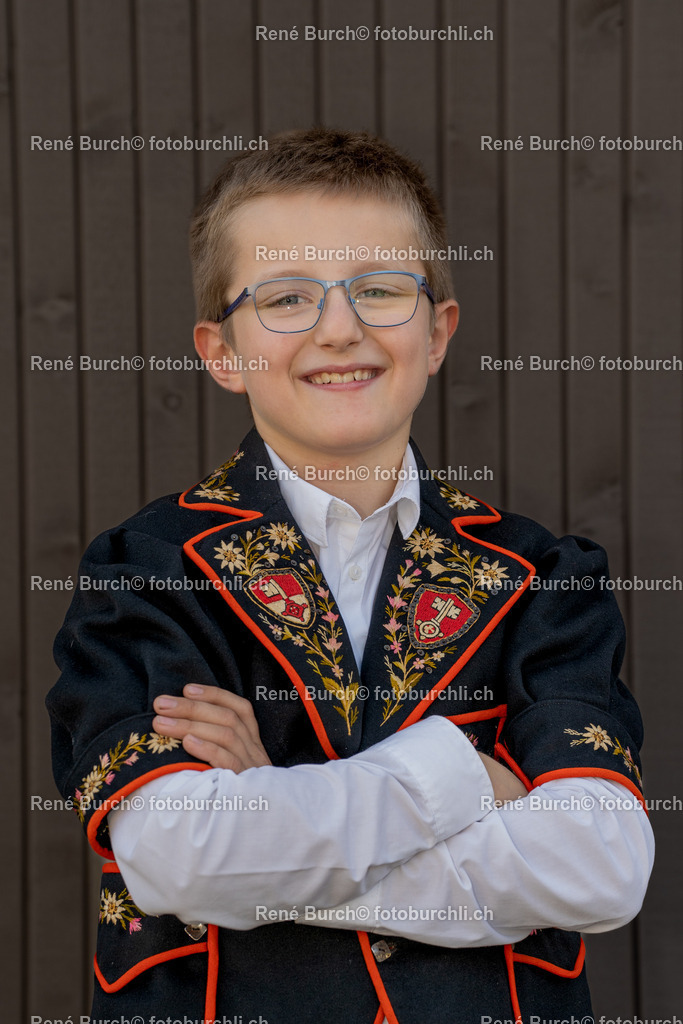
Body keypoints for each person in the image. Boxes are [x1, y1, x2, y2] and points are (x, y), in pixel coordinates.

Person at [47, 127, 654, 1024]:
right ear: (222, 352)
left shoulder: (542, 577)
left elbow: (600, 867)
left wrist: (267, 815)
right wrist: (460, 777)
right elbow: (182, 857)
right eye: (286, 298)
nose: (340, 329)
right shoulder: (145, 574)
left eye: (380, 289)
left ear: (437, 332)